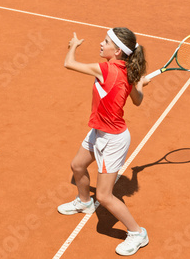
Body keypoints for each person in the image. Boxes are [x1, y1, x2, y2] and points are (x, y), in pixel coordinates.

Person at [58, 27, 150, 256]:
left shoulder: (106, 69)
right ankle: (83, 202)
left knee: (104, 196)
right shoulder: (128, 70)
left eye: (106, 41)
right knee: (77, 166)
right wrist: (137, 84)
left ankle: (138, 233)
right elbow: (137, 101)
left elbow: (69, 64)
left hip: (113, 140)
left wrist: (72, 47)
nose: (101, 43)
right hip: (98, 131)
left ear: (117, 51)